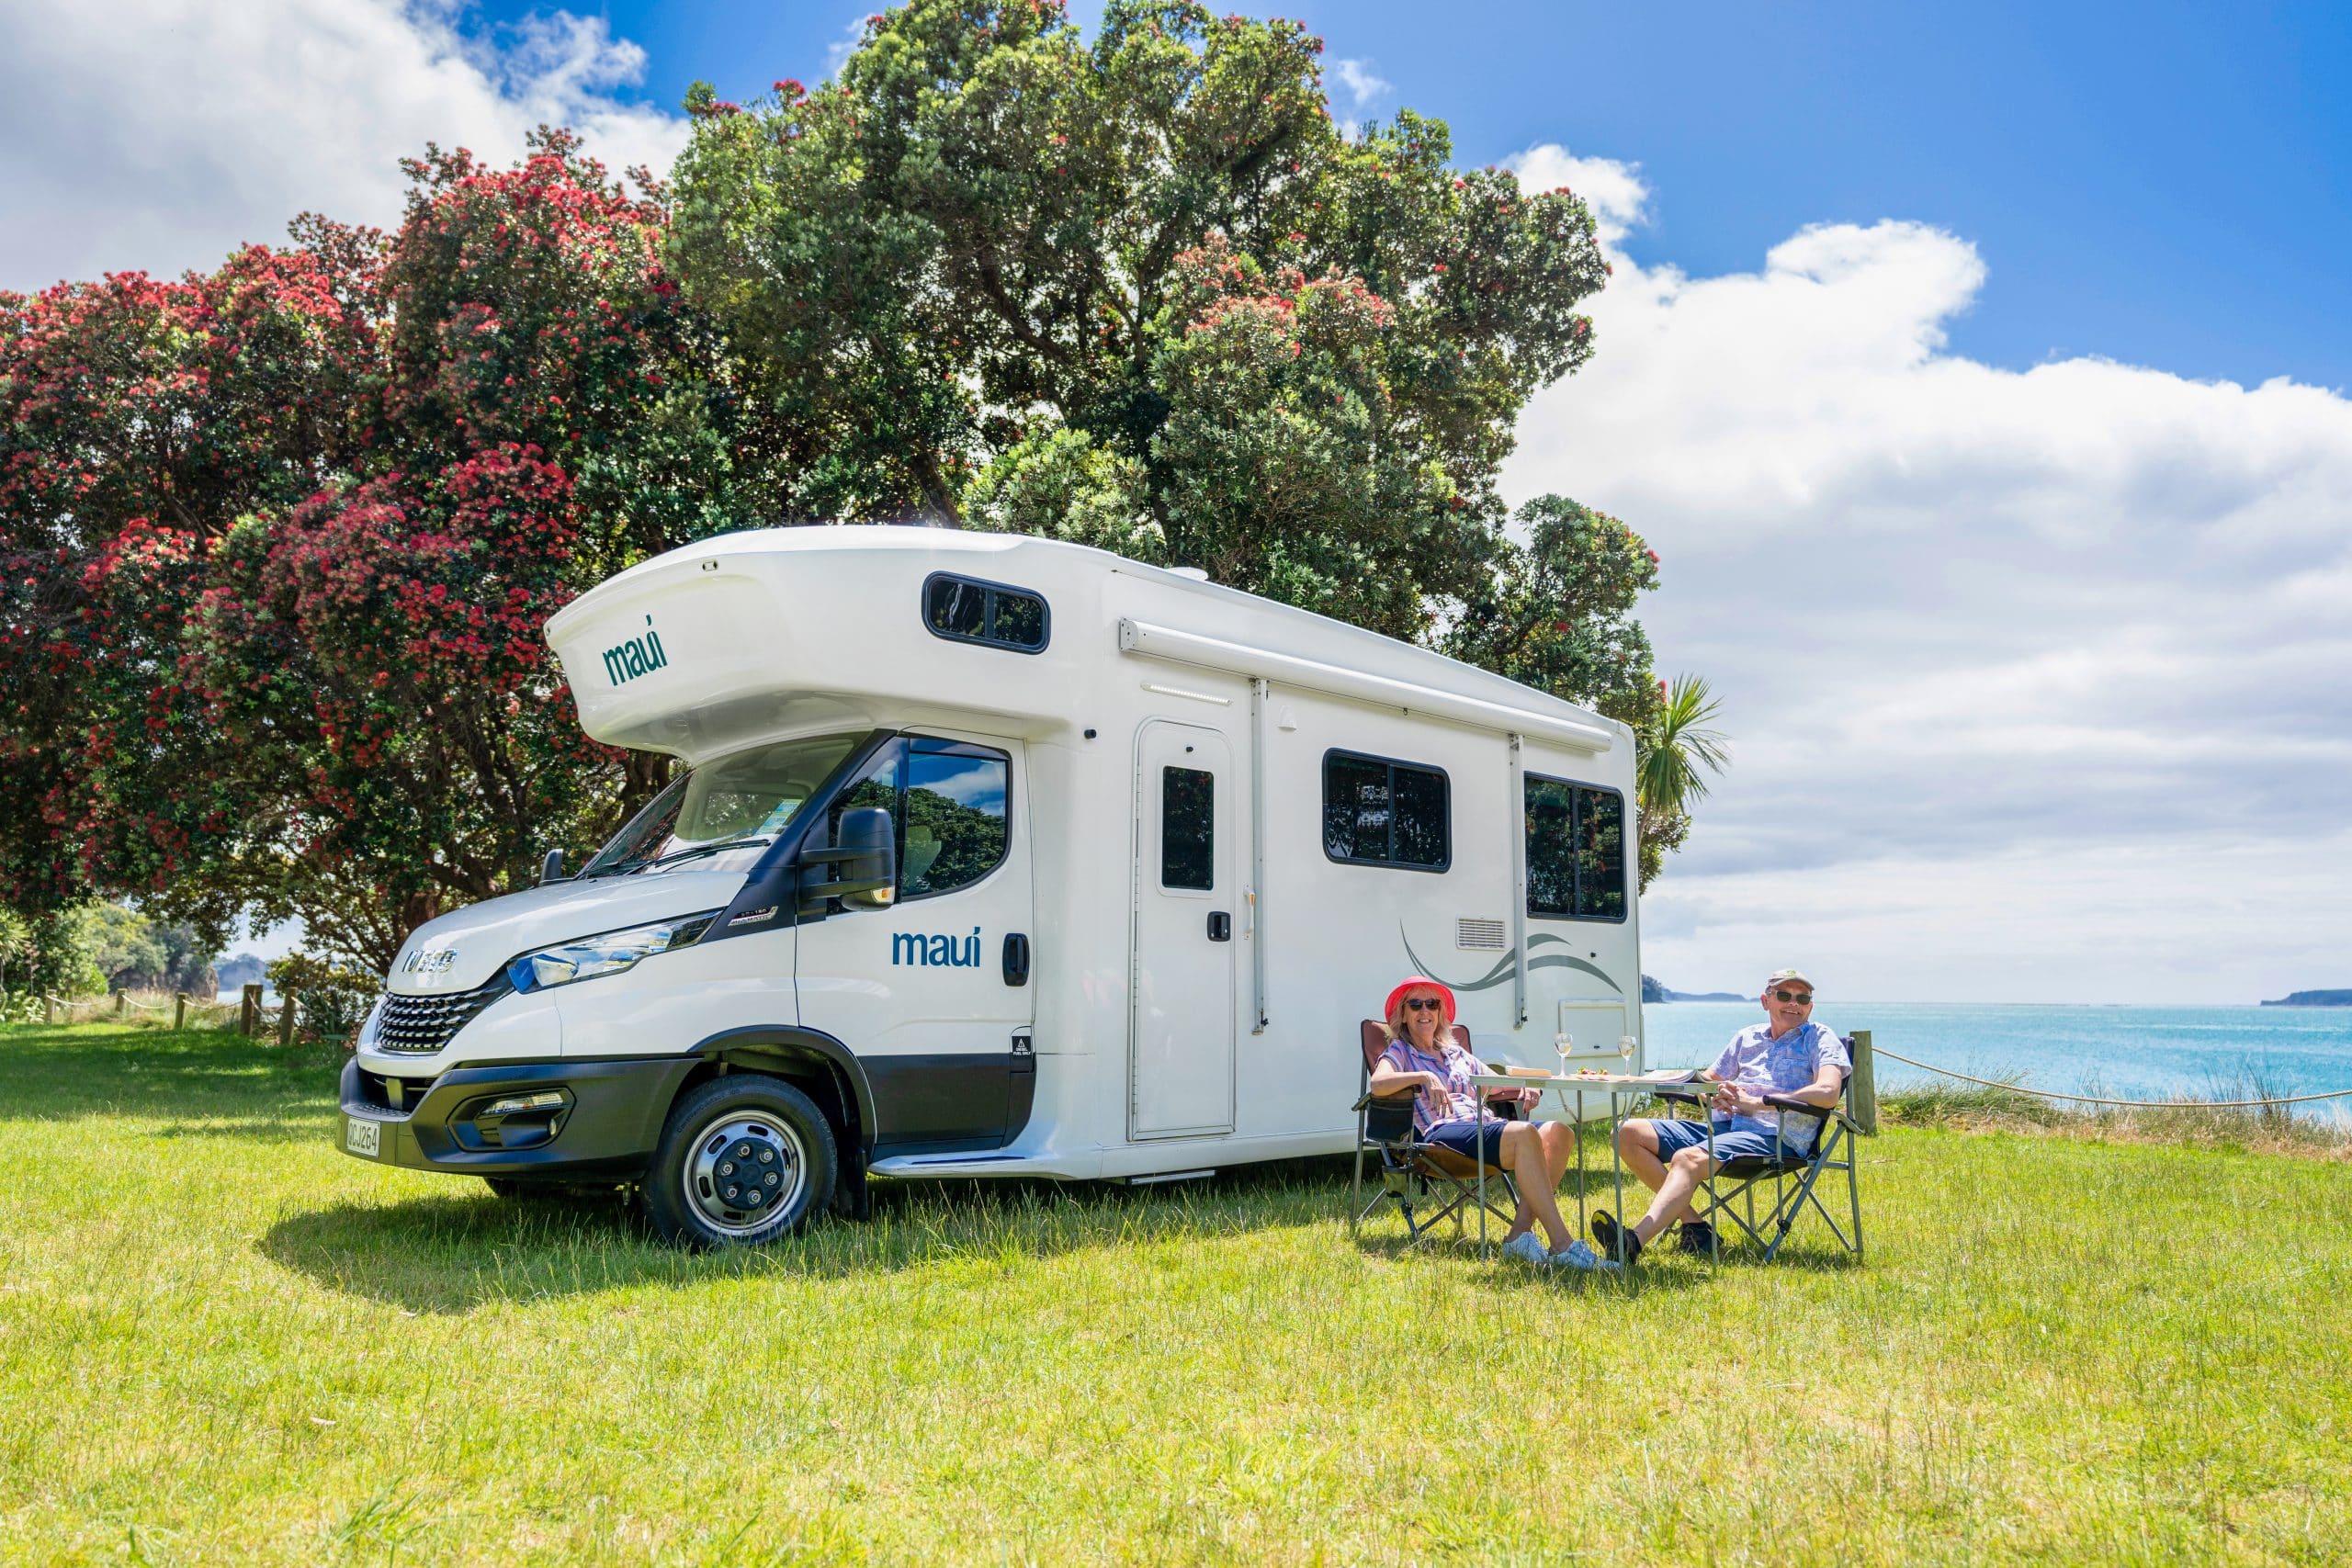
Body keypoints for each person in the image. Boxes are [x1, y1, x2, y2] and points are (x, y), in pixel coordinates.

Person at [1591, 967, 1849, 1265]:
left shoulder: (1818, 1037)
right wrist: (1715, 1093)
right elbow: (1707, 1082)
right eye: (1784, 995)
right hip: (1727, 1127)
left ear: (1810, 1006)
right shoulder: (1747, 1037)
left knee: (1687, 1159)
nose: (1794, 1003)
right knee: (1626, 1133)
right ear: (1765, 1001)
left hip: (1777, 1140)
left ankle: (1633, 1242)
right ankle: (1696, 1227)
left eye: (1802, 998)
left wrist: (1758, 1103)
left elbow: (1828, 1092)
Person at [1368, 976, 1611, 1271]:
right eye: (1415, 1004)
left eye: (1432, 1004)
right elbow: (1378, 1083)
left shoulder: (1455, 1053)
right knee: (1524, 1133)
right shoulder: (1400, 1051)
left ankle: (1518, 1237)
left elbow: (1494, 1082)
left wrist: (1524, 1086)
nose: (1425, 1011)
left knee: (1559, 1132)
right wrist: (1423, 1076)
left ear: (1440, 1012)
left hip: (1482, 1125)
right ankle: (1562, 1245)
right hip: (1442, 1135)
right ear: (1404, 1015)